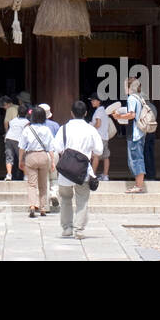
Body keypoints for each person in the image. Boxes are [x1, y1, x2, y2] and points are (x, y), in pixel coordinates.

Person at [52, 101, 104, 238]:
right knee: (82, 199)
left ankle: (67, 228)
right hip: (83, 171)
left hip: (65, 171)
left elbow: (56, 148)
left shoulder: (63, 129)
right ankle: (78, 229)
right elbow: (99, 150)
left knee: (65, 199)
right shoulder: (91, 130)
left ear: (71, 113)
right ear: (86, 113)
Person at [19, 105, 55, 217]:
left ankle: (32, 206)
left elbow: (22, 147)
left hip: (31, 156)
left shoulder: (27, 129)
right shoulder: (47, 130)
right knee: (43, 184)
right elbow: (51, 148)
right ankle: (43, 208)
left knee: (32, 184)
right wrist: (52, 161)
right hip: (44, 156)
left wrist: (21, 160)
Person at [113, 77, 147, 193]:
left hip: (134, 133)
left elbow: (132, 115)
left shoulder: (131, 98)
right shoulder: (139, 97)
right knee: (137, 157)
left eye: (125, 86)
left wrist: (119, 117)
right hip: (140, 132)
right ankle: (138, 184)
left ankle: (138, 185)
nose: (124, 88)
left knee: (135, 159)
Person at [3, 102, 29, 181]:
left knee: (9, 157)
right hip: (18, 140)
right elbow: (26, 133)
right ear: (27, 113)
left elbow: (8, 125)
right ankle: (25, 176)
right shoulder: (27, 122)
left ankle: (9, 174)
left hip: (9, 138)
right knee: (22, 158)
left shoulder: (13, 120)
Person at [89, 96, 113, 180]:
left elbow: (98, 124)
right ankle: (105, 175)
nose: (92, 101)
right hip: (105, 136)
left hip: (98, 137)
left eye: (93, 100)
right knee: (106, 156)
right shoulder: (104, 110)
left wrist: (91, 128)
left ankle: (92, 175)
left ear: (99, 101)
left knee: (96, 156)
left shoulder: (99, 111)